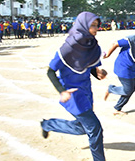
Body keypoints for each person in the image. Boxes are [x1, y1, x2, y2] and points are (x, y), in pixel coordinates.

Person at [41, 12, 107, 161]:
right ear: (83, 25)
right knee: (95, 129)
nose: (96, 29)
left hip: (86, 92)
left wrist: (99, 73)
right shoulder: (68, 47)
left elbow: (89, 68)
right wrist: (62, 91)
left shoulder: (93, 46)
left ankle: (48, 124)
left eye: (97, 26)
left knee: (82, 127)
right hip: (72, 94)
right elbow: (51, 71)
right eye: (92, 26)